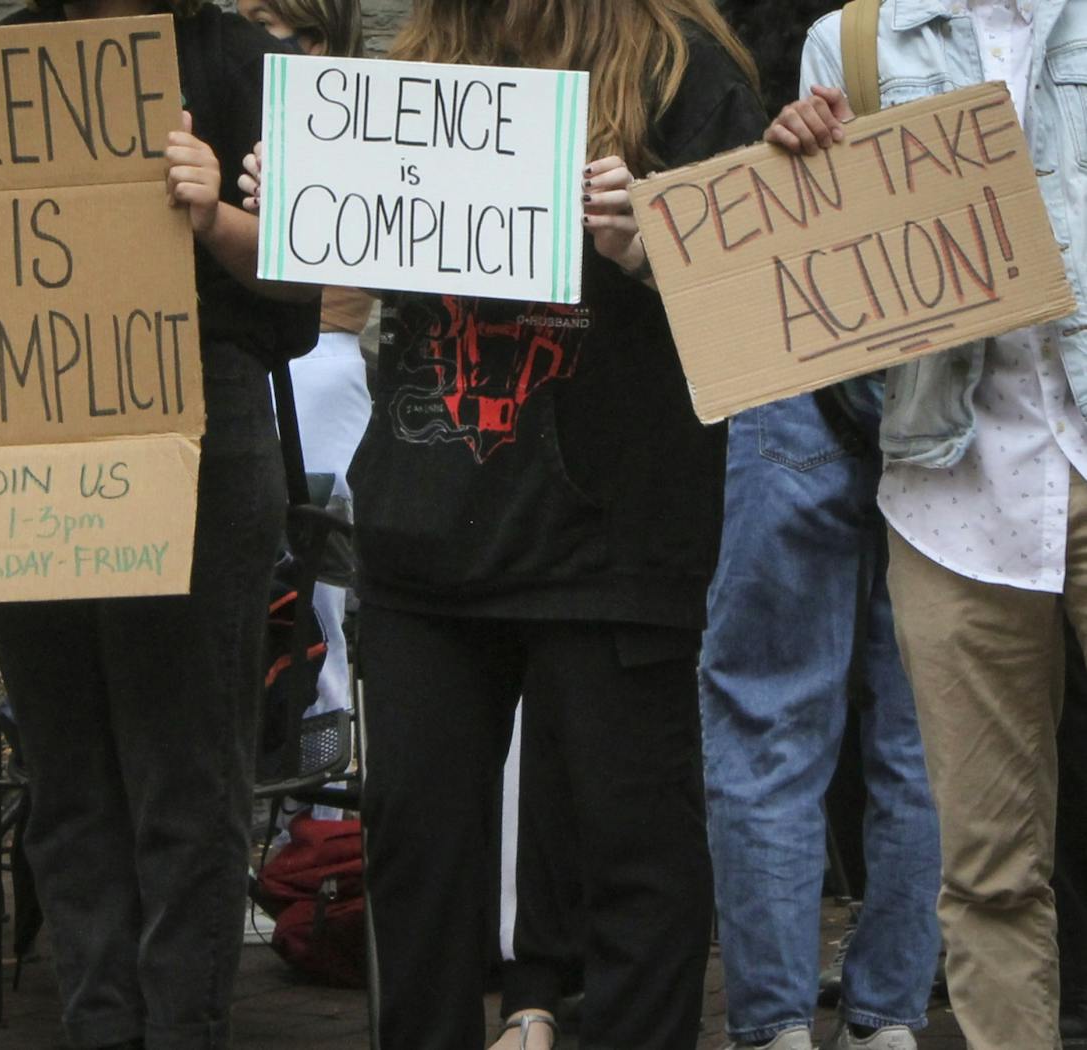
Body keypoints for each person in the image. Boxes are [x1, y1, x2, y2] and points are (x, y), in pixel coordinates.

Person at [246, 2, 764, 1045]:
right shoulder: (417, 67)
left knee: (636, 860)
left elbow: (756, 309)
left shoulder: (687, 73)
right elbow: (350, 274)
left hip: (614, 531)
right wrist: (291, 205)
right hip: (426, 534)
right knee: (417, 860)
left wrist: (647, 248)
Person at [0, 1, 315, 1047]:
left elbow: (302, 283)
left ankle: (179, 1025)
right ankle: (98, 1022)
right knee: (65, 772)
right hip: (28, 430)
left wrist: (212, 215)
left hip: (199, 422)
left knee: (183, 771)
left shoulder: (241, 60)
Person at [766, 2, 1087, 1047]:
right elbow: (825, 295)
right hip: (951, 489)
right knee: (987, 864)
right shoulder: (851, 44)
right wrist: (801, 178)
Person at [700, 3, 942, 1048]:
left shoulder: (850, 36)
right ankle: (882, 1018)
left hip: (801, 339)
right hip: (950, 380)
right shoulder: (854, 39)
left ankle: (780, 1028)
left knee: (775, 718)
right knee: (927, 730)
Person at [235, 0, 370, 825]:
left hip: (316, 363)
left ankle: (314, 832)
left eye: (298, 30)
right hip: (252, 362)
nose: (278, 47)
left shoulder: (352, 111)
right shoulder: (222, 91)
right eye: (259, 21)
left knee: (311, 606)